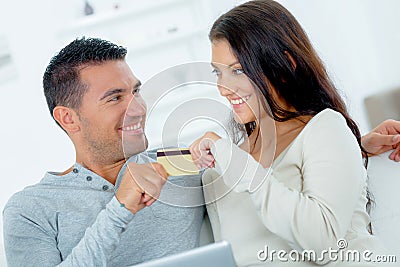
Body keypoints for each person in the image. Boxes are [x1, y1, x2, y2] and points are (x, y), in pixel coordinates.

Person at [189, 1, 397, 266]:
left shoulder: (324, 128)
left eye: (238, 70)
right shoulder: (221, 168)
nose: (223, 88)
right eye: (218, 73)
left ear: (284, 64)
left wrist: (240, 167)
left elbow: (324, 244)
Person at [3, 37, 204, 266]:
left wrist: (227, 144)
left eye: (136, 91)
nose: (138, 109)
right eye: (115, 98)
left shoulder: (178, 163)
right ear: (68, 118)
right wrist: (120, 208)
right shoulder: (29, 209)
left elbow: (244, 173)